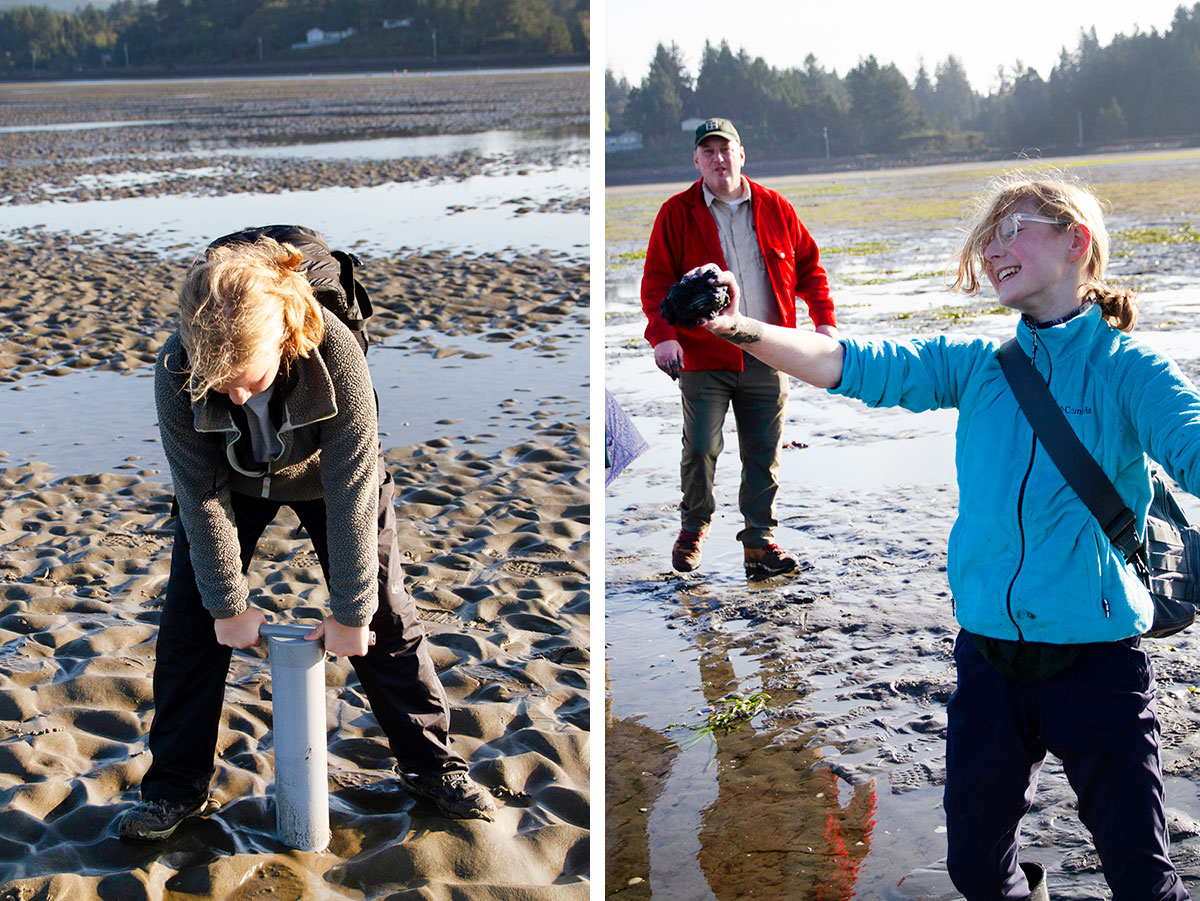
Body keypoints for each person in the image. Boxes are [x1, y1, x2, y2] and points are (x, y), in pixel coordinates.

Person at [693, 171, 1199, 900]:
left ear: (1075, 242)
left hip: (1097, 666)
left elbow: (1193, 446)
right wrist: (734, 327)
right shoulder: (981, 369)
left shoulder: (1130, 371)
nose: (994, 250)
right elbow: (853, 365)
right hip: (989, 661)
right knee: (975, 872)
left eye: (1013, 229)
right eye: (987, 238)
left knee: (1143, 882)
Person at [116, 235, 496, 842]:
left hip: (332, 481)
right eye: (222, 387)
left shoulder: (336, 355)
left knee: (387, 619)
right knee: (191, 625)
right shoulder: (176, 367)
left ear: (283, 340)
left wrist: (350, 614)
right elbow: (199, 493)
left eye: (248, 379)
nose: (237, 397)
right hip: (232, 486)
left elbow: (352, 492)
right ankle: (174, 791)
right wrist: (228, 606)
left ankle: (433, 768)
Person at [640, 116, 838, 577]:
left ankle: (759, 542)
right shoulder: (676, 212)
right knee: (702, 446)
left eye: (725, 149)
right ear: (696, 161)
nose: (718, 158)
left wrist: (824, 321)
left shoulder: (775, 207)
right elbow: (654, 284)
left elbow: (810, 267)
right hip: (702, 356)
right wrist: (664, 336)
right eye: (708, 151)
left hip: (770, 352)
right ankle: (693, 528)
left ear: (741, 155)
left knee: (764, 451)